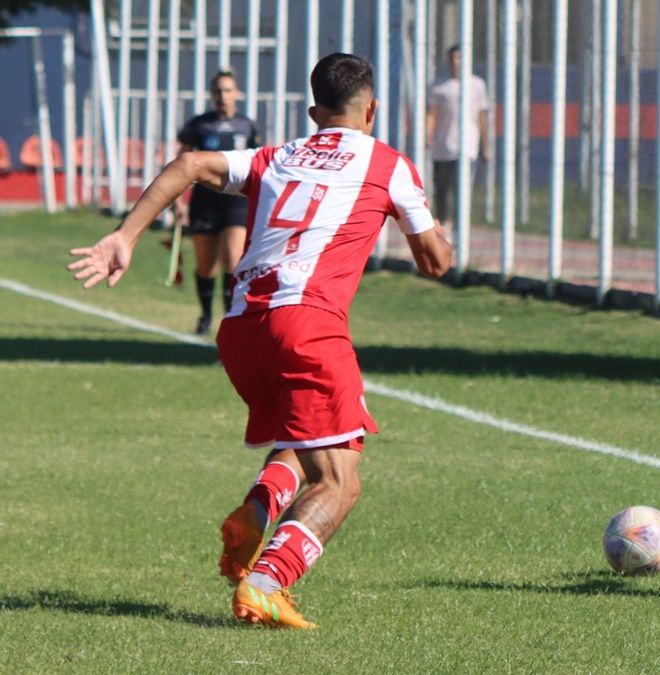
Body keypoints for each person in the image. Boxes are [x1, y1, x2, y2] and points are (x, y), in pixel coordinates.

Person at [68, 53, 452, 629]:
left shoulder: (280, 154)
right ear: (372, 109)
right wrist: (428, 226)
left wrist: (125, 235)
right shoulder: (389, 164)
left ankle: (256, 510)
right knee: (339, 479)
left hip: (243, 327)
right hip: (307, 326)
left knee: (308, 436)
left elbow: (192, 164)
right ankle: (268, 583)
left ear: (312, 112)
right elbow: (435, 262)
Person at [174, 70, 261, 335]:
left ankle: (230, 319)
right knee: (206, 264)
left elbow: (259, 165)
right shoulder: (199, 125)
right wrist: (178, 201)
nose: (223, 96)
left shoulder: (247, 126)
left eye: (228, 90)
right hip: (205, 201)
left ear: (237, 94)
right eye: (218, 91)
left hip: (236, 202)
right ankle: (205, 315)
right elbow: (180, 164)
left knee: (234, 259)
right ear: (212, 95)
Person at [426, 44, 491, 228]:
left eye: (460, 58)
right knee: (441, 190)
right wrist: (428, 134)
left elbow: (482, 117)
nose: (457, 63)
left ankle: (460, 227)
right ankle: (443, 226)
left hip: (467, 147)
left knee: (461, 191)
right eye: (453, 58)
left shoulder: (477, 85)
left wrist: (485, 145)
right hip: (443, 147)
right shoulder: (439, 86)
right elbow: (431, 113)